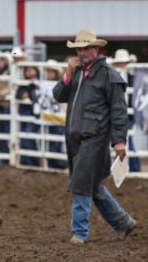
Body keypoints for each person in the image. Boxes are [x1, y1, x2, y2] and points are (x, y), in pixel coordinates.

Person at [52, 30, 137, 245]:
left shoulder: (109, 76)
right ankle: (123, 222)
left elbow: (119, 111)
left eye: (86, 48)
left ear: (96, 49)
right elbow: (58, 95)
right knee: (92, 185)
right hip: (75, 137)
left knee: (81, 182)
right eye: (79, 49)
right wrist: (67, 75)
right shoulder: (77, 73)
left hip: (95, 138)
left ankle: (79, 232)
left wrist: (119, 141)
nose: (82, 53)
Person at [110, 49, 141, 172]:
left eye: (124, 63)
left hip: (127, 112)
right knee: (120, 141)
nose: (122, 65)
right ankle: (123, 169)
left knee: (128, 140)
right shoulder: (115, 76)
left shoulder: (132, 77)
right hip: (118, 112)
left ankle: (134, 168)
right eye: (120, 63)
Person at [15, 65, 41, 166]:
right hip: (25, 113)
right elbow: (17, 94)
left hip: (34, 114)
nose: (28, 72)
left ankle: (33, 161)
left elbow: (38, 95)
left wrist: (28, 93)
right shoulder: (23, 83)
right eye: (27, 70)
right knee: (25, 137)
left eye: (31, 69)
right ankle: (28, 161)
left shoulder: (39, 81)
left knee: (29, 135)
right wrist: (23, 93)